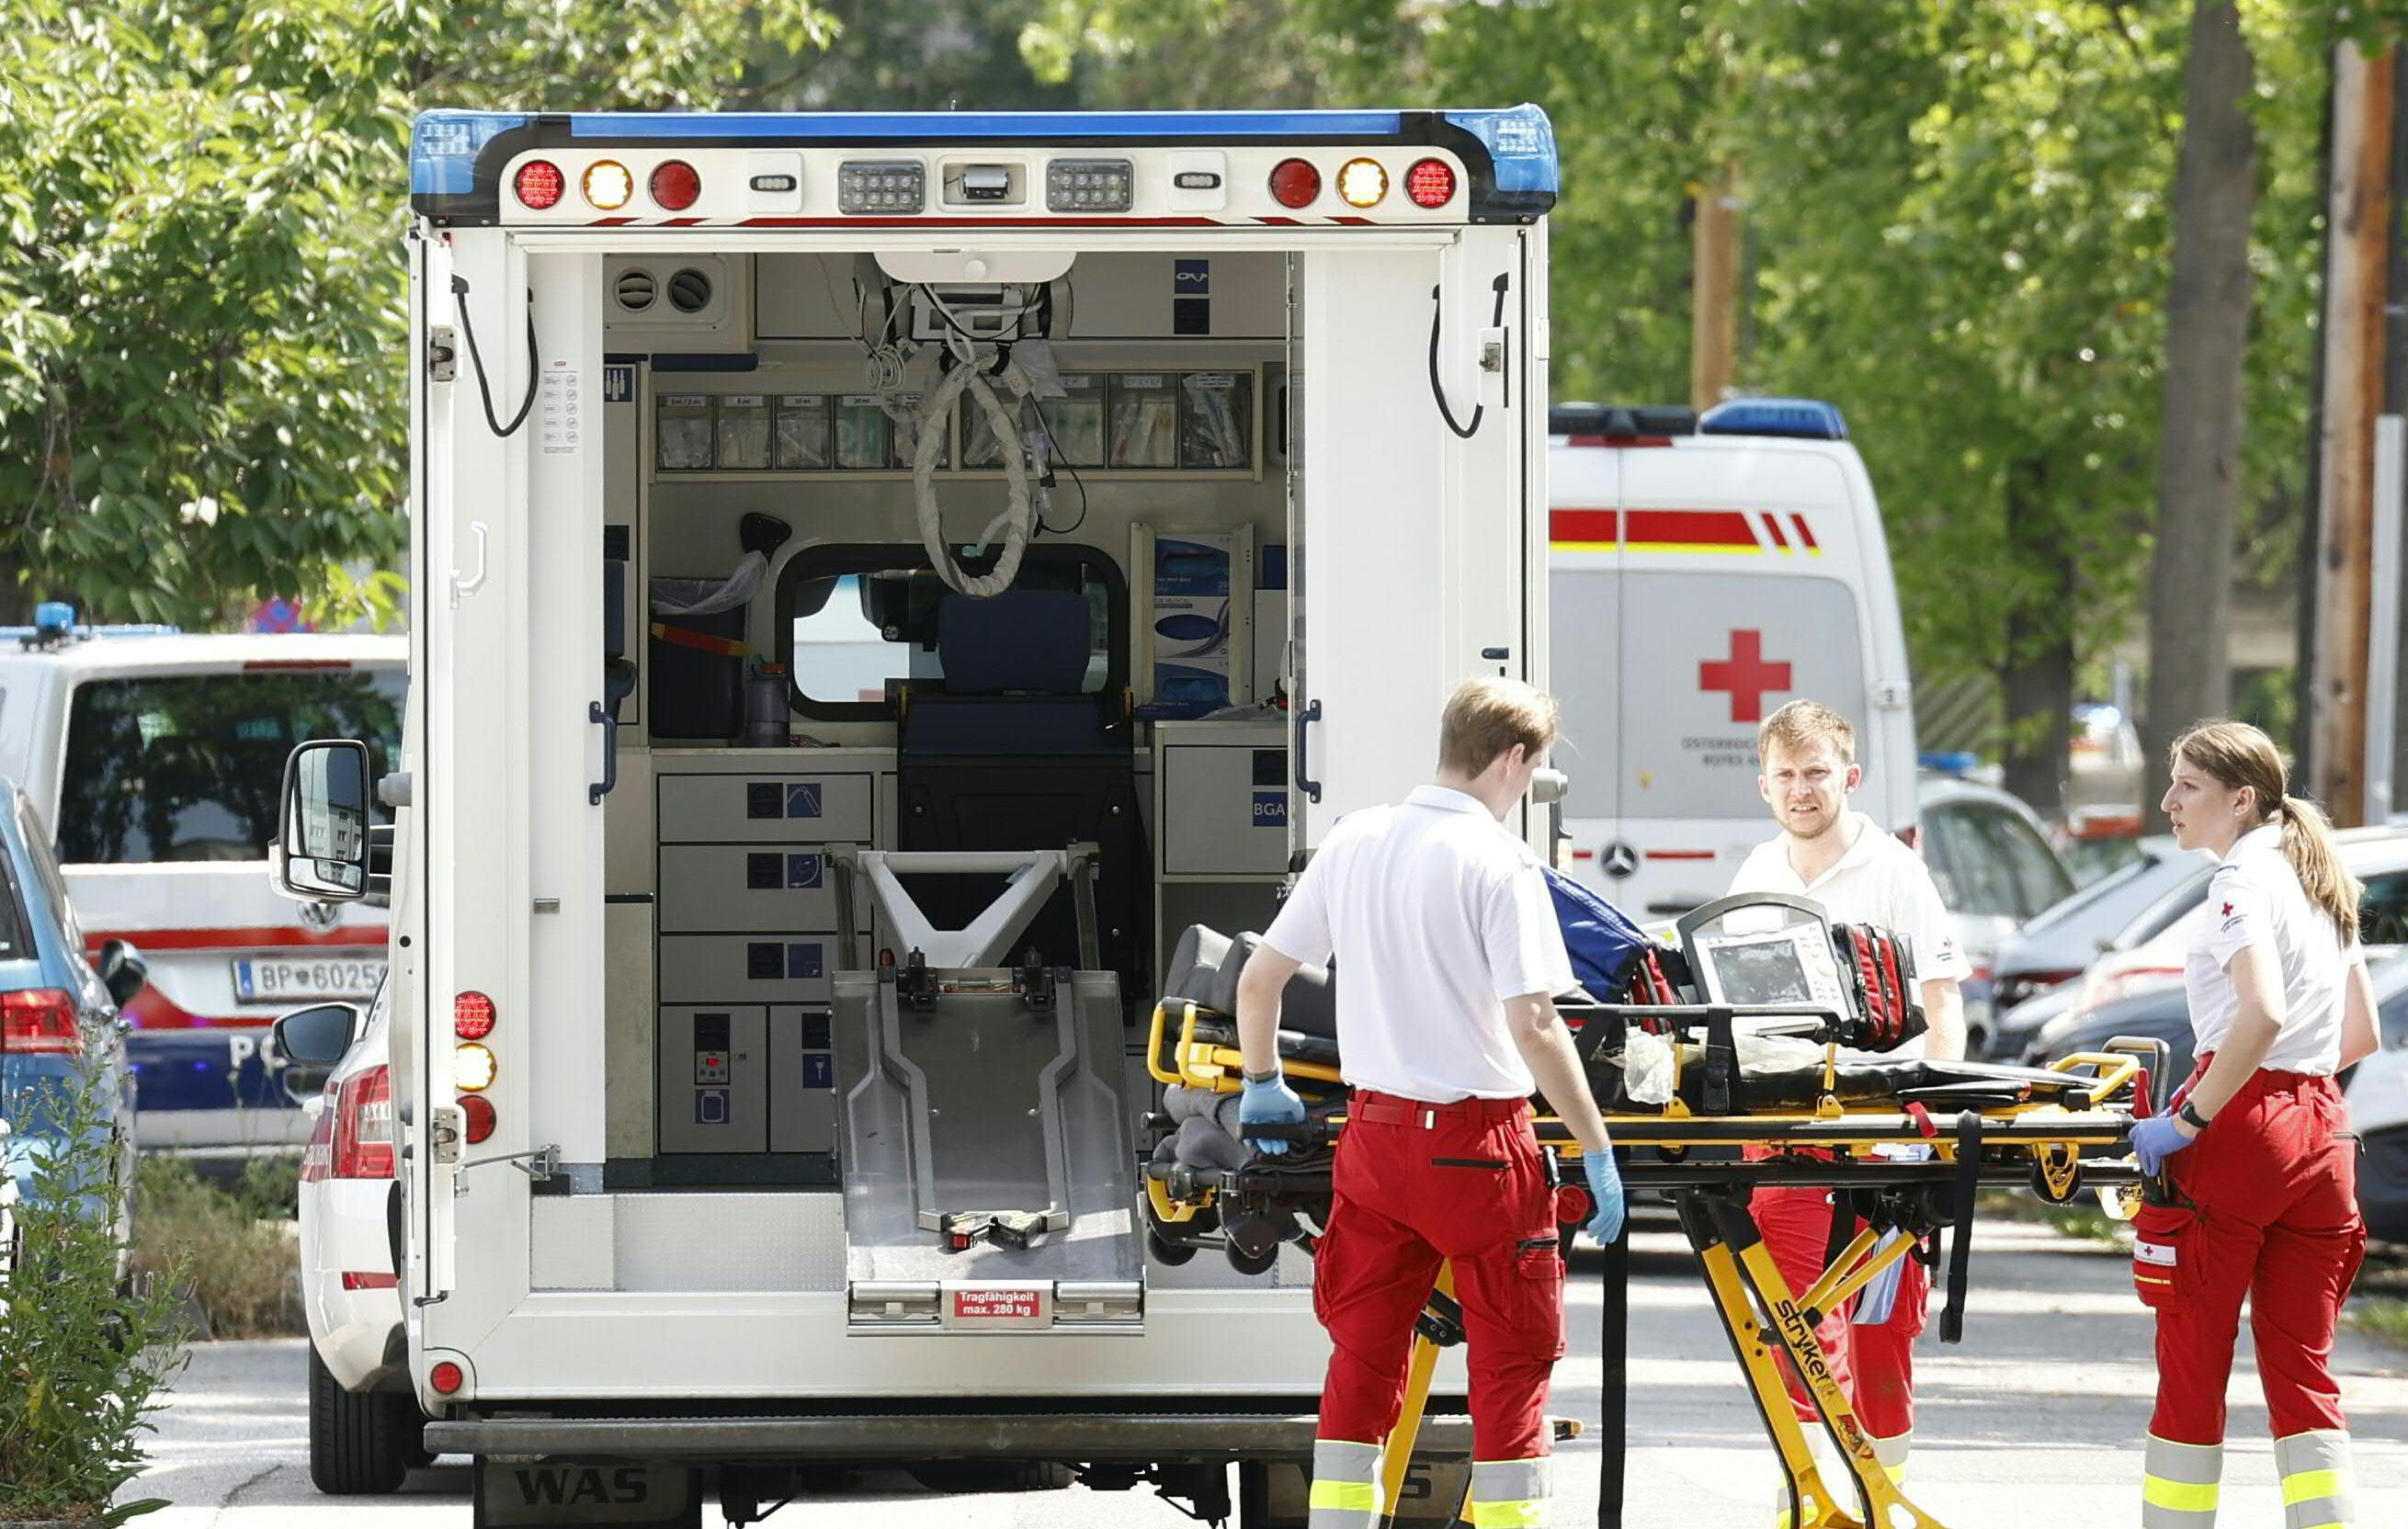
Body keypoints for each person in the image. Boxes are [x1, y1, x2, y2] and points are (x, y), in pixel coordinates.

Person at [1233, 676, 1624, 1529]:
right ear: (1513, 759)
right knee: (1510, 1363)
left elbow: (1260, 980)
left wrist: (1262, 1084)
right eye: (1533, 770)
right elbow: (1536, 1024)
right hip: (1480, 1154)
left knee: (1364, 1358)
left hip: (1374, 1142)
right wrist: (1595, 1146)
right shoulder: (1499, 861)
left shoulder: (1354, 839)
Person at [2126, 720, 2378, 1529]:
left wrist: (2189, 1119)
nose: (2168, 801)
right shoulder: (2321, 876)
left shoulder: (2238, 881)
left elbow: (2260, 1012)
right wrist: (2298, 1102)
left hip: (2241, 1126)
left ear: (2241, 800)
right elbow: (2360, 1035)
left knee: (2193, 1364)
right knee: (2305, 1369)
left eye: (2187, 785)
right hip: (2325, 1131)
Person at [1726, 699, 1968, 1509]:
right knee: (1793, 1328)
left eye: (1816, 773)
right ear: (1764, 785)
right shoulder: (1757, 874)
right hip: (1785, 1130)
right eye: (1786, 775)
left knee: (1880, 1335)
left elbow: (1942, 1005)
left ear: (1850, 777)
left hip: (1880, 1132)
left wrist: (1928, 1128)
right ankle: (1811, 1505)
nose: (1801, 789)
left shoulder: (1895, 872)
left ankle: (1881, 1501)